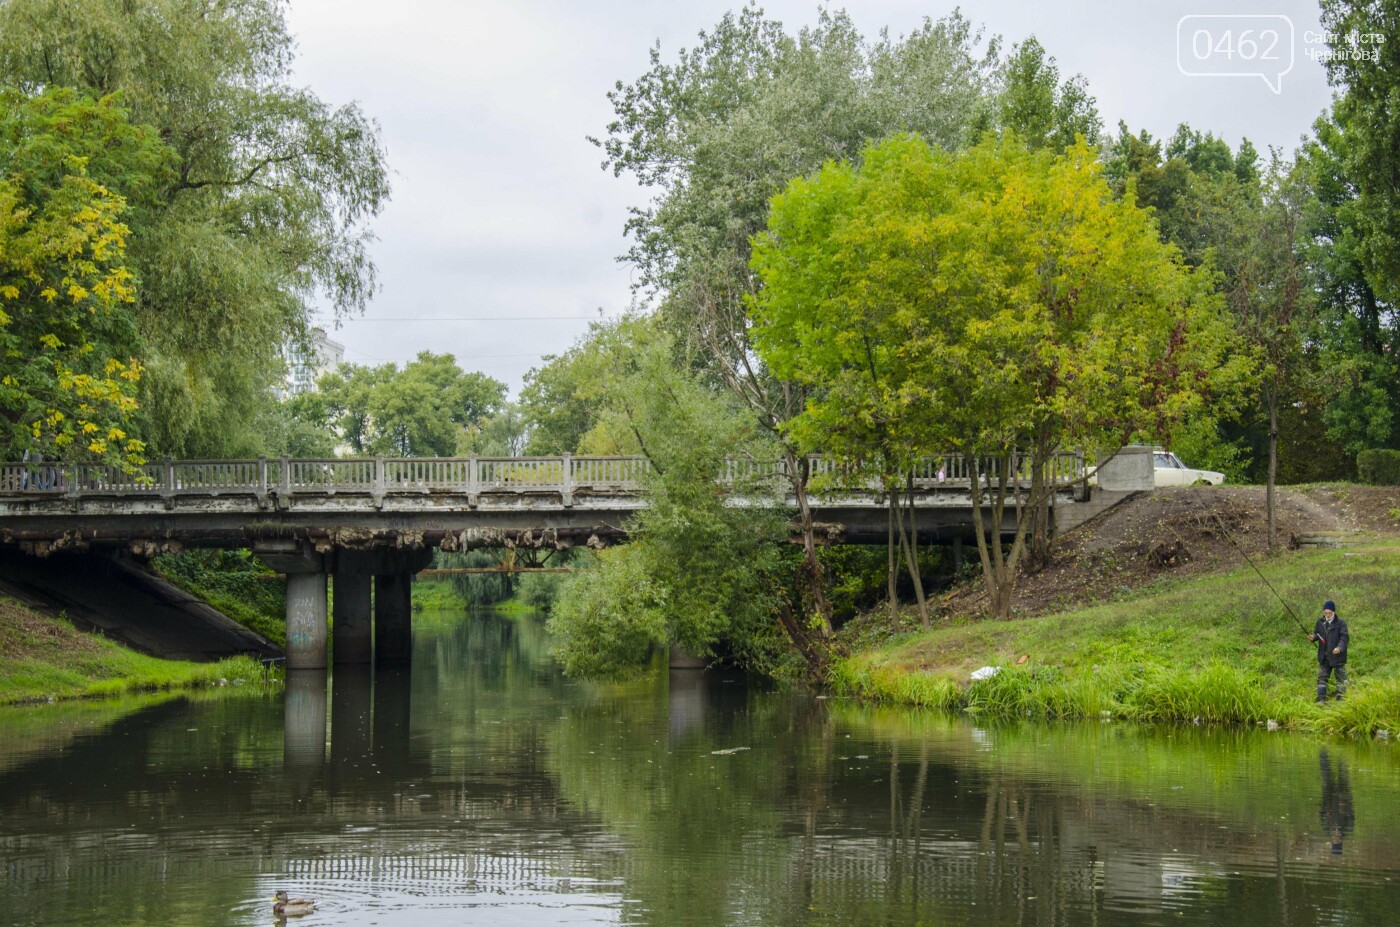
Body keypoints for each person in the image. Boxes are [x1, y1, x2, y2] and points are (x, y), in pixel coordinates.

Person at [1310, 600, 1349, 702]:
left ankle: (1342, 698)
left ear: (1334, 612)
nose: (1327, 615)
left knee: (1340, 678)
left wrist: (1339, 648)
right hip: (1324, 656)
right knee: (1322, 677)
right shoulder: (1320, 622)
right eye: (1325, 613)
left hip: (1337, 656)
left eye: (1329, 613)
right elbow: (1317, 633)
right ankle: (1321, 699)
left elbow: (1344, 638)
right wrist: (1313, 637)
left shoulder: (1341, 623)